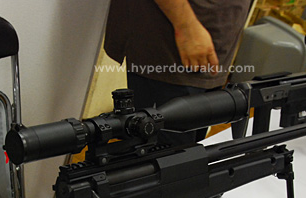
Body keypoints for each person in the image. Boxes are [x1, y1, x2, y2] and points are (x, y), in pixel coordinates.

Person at [103, 0, 251, 142]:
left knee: (192, 150)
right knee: (162, 151)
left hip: (214, 48)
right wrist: (187, 28)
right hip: (169, 47)